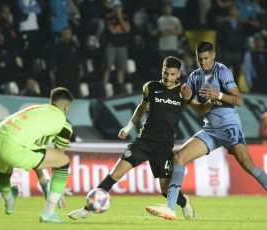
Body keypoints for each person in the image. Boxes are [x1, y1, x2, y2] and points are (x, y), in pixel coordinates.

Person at [145, 41, 267, 221]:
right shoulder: (194, 76)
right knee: (178, 158)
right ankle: (171, 207)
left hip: (229, 127)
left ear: (213, 55)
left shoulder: (222, 71)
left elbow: (239, 101)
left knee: (248, 165)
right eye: (200, 59)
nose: (203, 62)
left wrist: (220, 95)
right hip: (210, 130)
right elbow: (199, 109)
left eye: (206, 58)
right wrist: (186, 100)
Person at [68, 56, 216, 221]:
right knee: (115, 174)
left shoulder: (183, 91)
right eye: (166, 73)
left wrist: (203, 100)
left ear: (178, 74)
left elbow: (186, 109)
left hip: (164, 146)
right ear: (162, 70)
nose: (168, 77)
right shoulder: (150, 87)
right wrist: (128, 127)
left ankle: (184, 202)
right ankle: (85, 209)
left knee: (166, 191)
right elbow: (141, 107)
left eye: (172, 74)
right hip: (143, 141)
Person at [0, 87, 74, 223]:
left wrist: (43, 180)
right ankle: (49, 213)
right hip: (13, 148)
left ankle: (8, 201)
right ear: (66, 107)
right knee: (64, 161)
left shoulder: (37, 110)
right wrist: (58, 187)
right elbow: (58, 158)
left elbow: (35, 148)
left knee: (5, 171)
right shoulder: (63, 122)